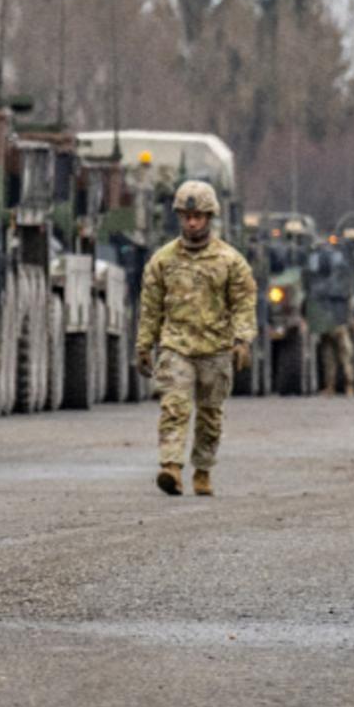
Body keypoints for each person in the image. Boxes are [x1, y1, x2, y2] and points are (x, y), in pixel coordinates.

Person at [134, 180, 257, 497]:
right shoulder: (162, 261)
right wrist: (144, 346)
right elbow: (150, 307)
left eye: (198, 216)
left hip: (216, 349)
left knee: (210, 415)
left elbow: (243, 303)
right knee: (174, 406)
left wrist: (242, 340)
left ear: (209, 218)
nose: (192, 222)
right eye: (187, 216)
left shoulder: (230, 261)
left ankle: (203, 469)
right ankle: (171, 467)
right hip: (177, 347)